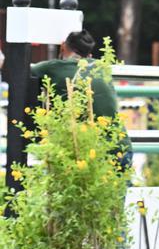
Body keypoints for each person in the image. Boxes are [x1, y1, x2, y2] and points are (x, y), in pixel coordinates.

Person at [31, 30, 132, 172]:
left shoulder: (54, 67)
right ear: (89, 53)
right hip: (122, 147)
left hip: (89, 152)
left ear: (63, 46)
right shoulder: (101, 67)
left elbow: (20, 71)